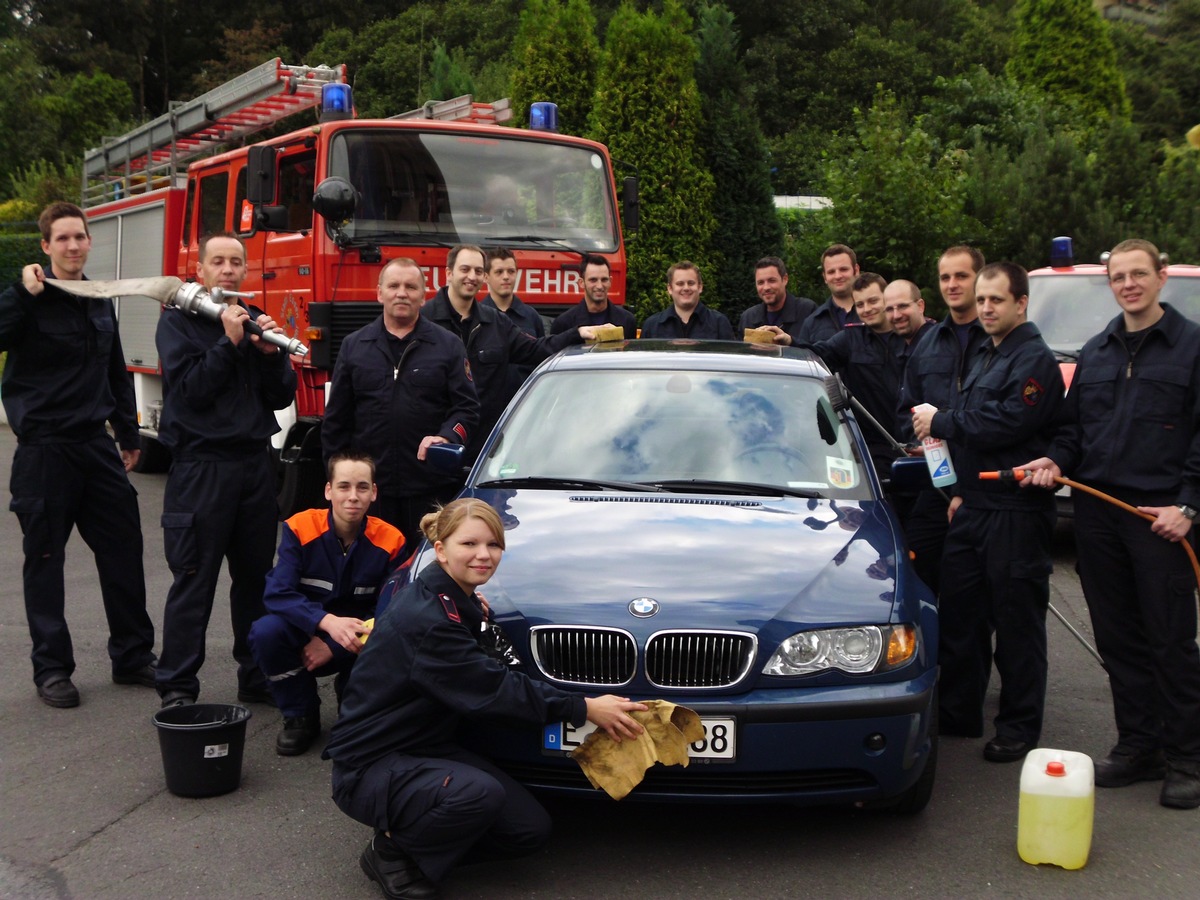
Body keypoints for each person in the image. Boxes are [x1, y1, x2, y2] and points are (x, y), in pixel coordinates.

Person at [324, 498, 647, 898]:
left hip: (425, 747)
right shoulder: (431, 619)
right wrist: (586, 707)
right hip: (371, 765)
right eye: (469, 544)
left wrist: (474, 613)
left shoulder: (448, 596)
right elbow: (495, 688)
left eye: (494, 545)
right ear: (440, 549)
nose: (484, 555)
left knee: (528, 831)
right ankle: (390, 851)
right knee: (478, 794)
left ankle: (422, 838)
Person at [1022, 239, 1200, 808]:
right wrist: (1056, 460)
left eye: (1138, 274)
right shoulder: (1098, 351)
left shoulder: (1193, 348)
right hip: (1098, 512)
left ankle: (1188, 758)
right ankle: (1138, 747)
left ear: (1161, 277)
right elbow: (1074, 431)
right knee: (1119, 638)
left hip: (1159, 518)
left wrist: (1188, 506)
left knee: (1170, 641)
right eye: (1119, 276)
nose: (1128, 284)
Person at [0, 201, 156, 708]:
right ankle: (52, 669)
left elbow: (115, 372)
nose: (72, 246)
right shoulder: (28, 298)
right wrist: (22, 295)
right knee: (44, 560)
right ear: (45, 246)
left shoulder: (97, 300)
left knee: (124, 551)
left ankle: (132, 657)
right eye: (62, 239)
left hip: (95, 446)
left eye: (79, 237)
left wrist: (129, 435)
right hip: (44, 450)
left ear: (89, 243)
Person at [912, 262, 1064, 763]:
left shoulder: (1034, 360)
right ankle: (959, 713)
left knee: (1017, 624)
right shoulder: (986, 354)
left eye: (996, 300)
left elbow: (1006, 423)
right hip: (974, 504)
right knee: (961, 617)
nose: (986, 309)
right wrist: (956, 492)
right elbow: (977, 429)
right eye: (981, 301)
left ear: (1021, 302)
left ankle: (1019, 727)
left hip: (1016, 511)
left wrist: (943, 420)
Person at [154, 233, 297, 708]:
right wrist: (231, 344)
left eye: (237, 262)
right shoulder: (177, 325)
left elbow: (280, 397)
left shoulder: (255, 320)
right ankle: (177, 686)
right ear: (202, 270)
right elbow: (191, 391)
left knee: (256, 578)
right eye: (219, 262)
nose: (229, 270)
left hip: (254, 465)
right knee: (194, 578)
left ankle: (255, 675)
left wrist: (271, 355)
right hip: (202, 469)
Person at [248, 452, 405, 756]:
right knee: (266, 632)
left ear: (373, 492)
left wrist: (333, 646)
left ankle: (353, 706)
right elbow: (278, 593)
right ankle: (300, 716)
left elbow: (391, 610)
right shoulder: (300, 527)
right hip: (308, 632)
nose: (353, 497)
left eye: (362, 488)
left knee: (389, 638)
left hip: (359, 640)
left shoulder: (391, 540)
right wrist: (326, 625)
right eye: (344, 487)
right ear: (328, 491)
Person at [322, 258, 479, 549]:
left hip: (430, 488)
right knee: (369, 575)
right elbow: (336, 422)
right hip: (372, 491)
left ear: (424, 295)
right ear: (379, 293)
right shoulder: (355, 346)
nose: (402, 293)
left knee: (426, 571)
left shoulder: (448, 346)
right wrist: (340, 480)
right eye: (393, 286)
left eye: (411, 286)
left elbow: (467, 409)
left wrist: (446, 437)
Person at [424, 245, 587, 462]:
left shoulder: (497, 322)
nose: (472, 277)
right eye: (465, 269)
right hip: (436, 449)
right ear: (449, 273)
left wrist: (577, 334)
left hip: (485, 453)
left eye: (478, 271)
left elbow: (536, 349)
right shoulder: (423, 322)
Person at [895, 246, 989, 595]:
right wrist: (918, 443)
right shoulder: (928, 343)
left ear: (979, 279)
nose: (952, 284)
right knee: (919, 569)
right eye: (945, 277)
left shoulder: (998, 341)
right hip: (938, 483)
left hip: (985, 491)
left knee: (980, 595)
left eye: (961, 276)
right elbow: (907, 409)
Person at [806, 273, 905, 474]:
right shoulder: (851, 338)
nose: (867, 309)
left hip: (915, 443)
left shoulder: (913, 335)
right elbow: (817, 353)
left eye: (873, 301)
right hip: (873, 448)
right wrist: (787, 342)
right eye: (860, 304)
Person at [480, 248, 549, 405]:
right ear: (486, 277)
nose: (506, 277)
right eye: (499, 272)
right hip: (487, 411)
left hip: (526, 407)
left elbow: (541, 360)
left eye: (511, 271)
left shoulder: (531, 317)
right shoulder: (477, 318)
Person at [641, 261, 734, 340]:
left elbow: (729, 360)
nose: (686, 288)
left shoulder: (719, 323)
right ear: (670, 288)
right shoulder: (652, 326)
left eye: (691, 283)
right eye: (680, 284)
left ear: (700, 287)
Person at [550, 255, 637, 339]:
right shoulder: (563, 324)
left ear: (610, 281)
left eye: (604, 280)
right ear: (581, 283)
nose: (599, 286)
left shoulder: (627, 321)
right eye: (593, 280)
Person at [737, 256, 816, 345]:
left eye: (772, 281)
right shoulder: (748, 318)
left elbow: (818, 350)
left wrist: (791, 341)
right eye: (760, 282)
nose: (766, 287)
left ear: (785, 279)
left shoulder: (806, 311)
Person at [796, 244, 862, 344]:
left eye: (843, 269)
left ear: (856, 270)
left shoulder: (875, 313)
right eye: (831, 272)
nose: (838, 276)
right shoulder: (812, 323)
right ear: (825, 277)